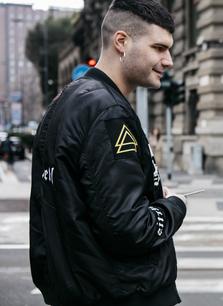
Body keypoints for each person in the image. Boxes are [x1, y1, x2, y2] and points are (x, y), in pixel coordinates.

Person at [29, 1, 187, 306]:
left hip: (74, 288)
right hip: (121, 292)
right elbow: (129, 229)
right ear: (122, 42)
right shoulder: (110, 112)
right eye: (158, 48)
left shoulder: (66, 101)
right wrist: (173, 206)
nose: (168, 61)